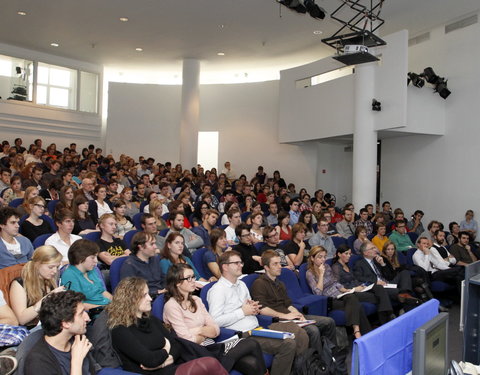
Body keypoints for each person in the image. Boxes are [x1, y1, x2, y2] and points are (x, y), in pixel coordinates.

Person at [107, 277, 229, 375]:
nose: (150, 298)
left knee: (213, 364)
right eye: (144, 295)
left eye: (148, 294)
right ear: (130, 300)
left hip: (172, 366)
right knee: (210, 363)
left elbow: (176, 346)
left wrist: (166, 360)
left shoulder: (151, 320)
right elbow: (150, 360)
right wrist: (166, 348)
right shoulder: (120, 330)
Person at [163, 264, 267, 375]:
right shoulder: (171, 306)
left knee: (253, 363)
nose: (193, 280)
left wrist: (198, 330)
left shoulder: (196, 300)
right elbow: (187, 340)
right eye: (188, 278)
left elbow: (215, 330)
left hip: (212, 346)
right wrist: (205, 331)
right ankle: (216, 367)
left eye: (193, 277)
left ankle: (218, 367)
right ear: (177, 282)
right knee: (251, 344)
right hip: (195, 352)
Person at [207, 251, 296, 375]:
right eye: (236, 263)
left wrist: (253, 308)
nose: (241, 265)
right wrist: (242, 312)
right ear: (225, 267)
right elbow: (215, 321)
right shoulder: (217, 290)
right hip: (241, 336)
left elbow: (251, 308)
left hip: (256, 328)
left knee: (291, 337)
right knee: (288, 344)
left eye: (241, 262)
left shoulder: (241, 284)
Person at [252, 249, 339, 350]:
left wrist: (299, 315)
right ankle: (318, 363)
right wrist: (285, 316)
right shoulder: (259, 284)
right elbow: (262, 309)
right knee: (313, 330)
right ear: (266, 267)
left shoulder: (280, 283)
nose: (280, 266)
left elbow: (288, 304)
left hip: (290, 316)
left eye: (279, 263)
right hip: (278, 320)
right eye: (275, 264)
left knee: (329, 322)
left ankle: (332, 354)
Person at [24, 290, 95, 375]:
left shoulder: (77, 341)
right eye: (81, 314)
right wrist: (76, 362)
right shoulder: (38, 362)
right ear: (66, 323)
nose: (87, 318)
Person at [306, 246, 371, 338]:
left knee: (355, 301)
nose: (323, 260)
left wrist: (346, 290)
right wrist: (321, 274)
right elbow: (318, 293)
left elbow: (335, 282)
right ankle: (358, 332)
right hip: (329, 300)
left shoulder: (327, 266)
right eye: (320, 257)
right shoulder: (309, 273)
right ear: (312, 258)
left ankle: (362, 335)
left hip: (340, 295)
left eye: (324, 257)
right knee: (354, 301)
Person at [331, 244, 395, 324]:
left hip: (359, 287)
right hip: (351, 292)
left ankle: (388, 317)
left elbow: (355, 279)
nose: (349, 256)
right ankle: (387, 317)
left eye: (350, 254)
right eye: (346, 254)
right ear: (339, 254)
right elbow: (338, 284)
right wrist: (354, 288)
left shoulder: (347, 265)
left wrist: (362, 285)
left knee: (379, 288)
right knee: (380, 297)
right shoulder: (336, 267)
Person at [9, 245, 64, 328]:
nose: (55, 271)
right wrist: (47, 299)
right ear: (37, 264)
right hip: (31, 330)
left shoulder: (50, 281)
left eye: (57, 267)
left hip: (50, 326)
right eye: (51, 267)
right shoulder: (19, 284)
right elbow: (22, 319)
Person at [61, 239, 112, 310]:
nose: (96, 261)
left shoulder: (92, 270)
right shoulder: (70, 275)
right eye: (92, 257)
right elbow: (76, 305)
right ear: (81, 257)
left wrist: (116, 303)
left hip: (107, 309)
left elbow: (102, 291)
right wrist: (104, 307)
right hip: (94, 314)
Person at [120, 231, 165, 298]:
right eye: (152, 244)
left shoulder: (154, 259)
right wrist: (155, 293)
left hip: (161, 295)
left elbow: (163, 279)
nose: (155, 247)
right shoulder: (130, 265)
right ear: (141, 247)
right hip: (145, 299)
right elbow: (130, 291)